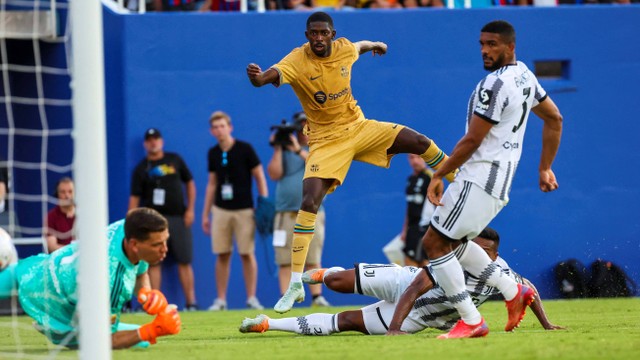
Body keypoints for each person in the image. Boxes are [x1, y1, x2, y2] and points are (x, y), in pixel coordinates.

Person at [246, 11, 458, 313]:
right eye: (313, 34)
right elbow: (268, 77)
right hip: (325, 140)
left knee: (419, 142)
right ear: (307, 36)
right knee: (309, 202)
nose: (318, 38)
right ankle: (295, 284)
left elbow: (357, 46)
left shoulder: (344, 47)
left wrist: (374, 45)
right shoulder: (297, 59)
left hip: (359, 128)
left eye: (323, 33)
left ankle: (459, 179)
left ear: (332, 34)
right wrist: (257, 79)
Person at [420, 20, 563, 338]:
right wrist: (545, 167)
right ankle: (513, 290)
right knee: (452, 244)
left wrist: (438, 173)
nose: (485, 50)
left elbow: (472, 140)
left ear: (510, 46)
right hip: (497, 185)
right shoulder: (525, 75)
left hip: (479, 179)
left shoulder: (494, 85)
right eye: (482, 43)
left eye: (493, 44)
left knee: (433, 243)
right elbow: (554, 117)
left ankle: (472, 321)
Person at [239, 228, 564, 335]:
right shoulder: (449, 260)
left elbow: (528, 292)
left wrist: (546, 324)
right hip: (403, 282)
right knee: (338, 282)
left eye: (474, 246)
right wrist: (393, 328)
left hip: (418, 317)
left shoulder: (500, 272)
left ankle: (268, 323)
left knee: (346, 322)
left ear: (490, 252)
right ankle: (318, 276)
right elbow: (414, 287)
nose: (463, 248)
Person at [0, 208, 182, 349]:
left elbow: (141, 271)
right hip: (50, 302)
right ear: (134, 245)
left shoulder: (128, 227)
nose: (165, 249)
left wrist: (145, 293)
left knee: (142, 341)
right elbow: (102, 343)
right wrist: (152, 330)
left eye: (165, 241)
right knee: (140, 338)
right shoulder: (109, 282)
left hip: (42, 268)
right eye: (157, 244)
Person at [201, 111, 269, 311]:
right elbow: (211, 184)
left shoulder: (245, 149)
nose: (219, 130)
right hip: (220, 209)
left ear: (230, 127)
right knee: (222, 254)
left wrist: (262, 203)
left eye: (222, 126)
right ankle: (221, 300)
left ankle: (251, 298)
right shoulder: (213, 153)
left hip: (244, 210)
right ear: (211, 131)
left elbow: (259, 176)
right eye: (215, 127)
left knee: (247, 253)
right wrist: (205, 214)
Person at [130, 128, 198, 311]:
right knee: (153, 262)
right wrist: (132, 222)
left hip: (178, 217)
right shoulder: (141, 169)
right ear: (145, 144)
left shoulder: (174, 159)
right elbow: (134, 198)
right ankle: (154, 304)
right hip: (153, 222)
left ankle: (191, 303)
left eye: (156, 139)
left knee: (184, 259)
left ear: (162, 141)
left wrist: (190, 210)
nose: (153, 142)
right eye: (150, 140)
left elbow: (190, 184)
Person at [267, 111, 330, 307]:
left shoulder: (320, 148)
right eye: (301, 126)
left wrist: (297, 150)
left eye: (308, 125)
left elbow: (321, 168)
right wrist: (278, 147)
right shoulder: (284, 152)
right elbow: (274, 174)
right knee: (285, 258)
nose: (305, 130)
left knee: (312, 257)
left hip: (312, 212)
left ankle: (317, 297)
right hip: (285, 213)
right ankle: (286, 297)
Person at [400, 154, 432, 267]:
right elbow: (410, 206)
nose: (415, 161)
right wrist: (404, 230)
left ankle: (430, 284)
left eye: (418, 157)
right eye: (411, 157)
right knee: (408, 262)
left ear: (424, 158)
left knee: (424, 263)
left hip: (425, 227)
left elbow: (439, 202)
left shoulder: (431, 177)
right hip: (412, 228)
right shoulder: (411, 179)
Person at [44, 177, 76, 253]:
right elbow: (52, 247)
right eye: (63, 192)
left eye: (70, 192)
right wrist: (73, 250)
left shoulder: (84, 215)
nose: (67, 195)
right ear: (57, 194)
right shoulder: (51, 217)